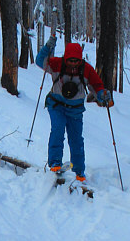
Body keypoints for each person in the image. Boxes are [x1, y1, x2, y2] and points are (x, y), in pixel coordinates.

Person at [35, 36, 113, 182]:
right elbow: (40, 61)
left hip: (75, 110)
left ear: (80, 59)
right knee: (57, 130)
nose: (73, 64)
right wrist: (47, 47)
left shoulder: (86, 69)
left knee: (76, 140)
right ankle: (55, 164)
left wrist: (103, 94)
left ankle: (79, 172)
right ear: (65, 58)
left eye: (76, 61)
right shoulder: (57, 64)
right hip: (56, 105)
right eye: (70, 60)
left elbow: (97, 86)